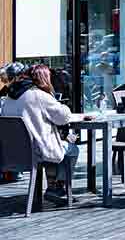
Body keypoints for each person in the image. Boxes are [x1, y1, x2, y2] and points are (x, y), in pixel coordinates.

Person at [0, 62, 78, 204]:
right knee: (71, 148)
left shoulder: (8, 99)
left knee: (54, 144)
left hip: (12, 155)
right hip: (37, 152)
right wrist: (62, 104)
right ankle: (57, 187)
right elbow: (63, 117)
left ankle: (53, 187)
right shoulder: (39, 95)